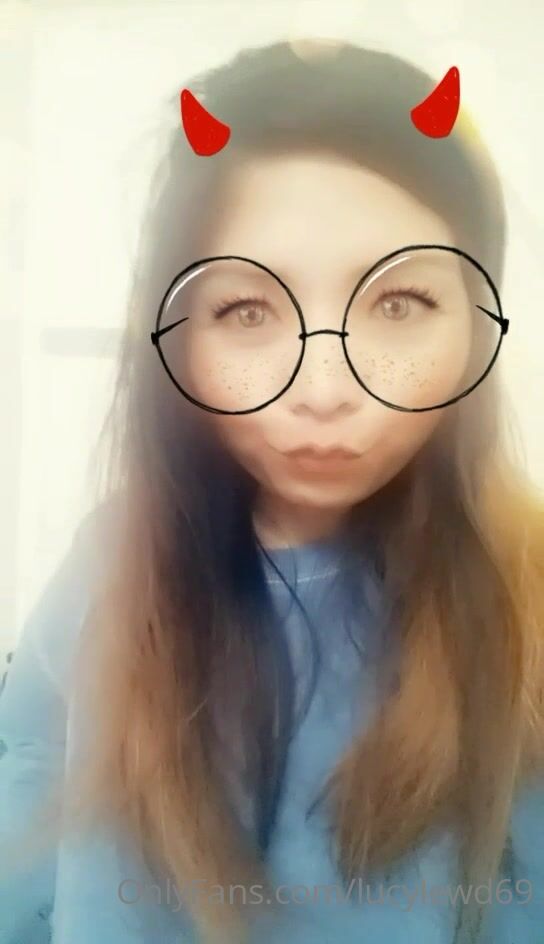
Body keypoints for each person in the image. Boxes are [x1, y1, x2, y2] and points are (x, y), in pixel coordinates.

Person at [1, 38, 544, 944]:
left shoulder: (527, 599)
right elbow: (27, 758)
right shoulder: (112, 555)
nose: (324, 390)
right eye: (246, 310)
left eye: (399, 304)